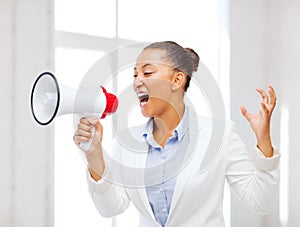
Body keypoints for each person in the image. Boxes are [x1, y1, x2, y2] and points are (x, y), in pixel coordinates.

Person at [73, 41, 280, 227]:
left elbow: (261, 201)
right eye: (135, 74)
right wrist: (94, 154)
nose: (136, 82)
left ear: (177, 80)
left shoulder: (220, 136)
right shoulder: (128, 141)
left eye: (147, 72)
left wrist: (264, 140)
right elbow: (111, 208)